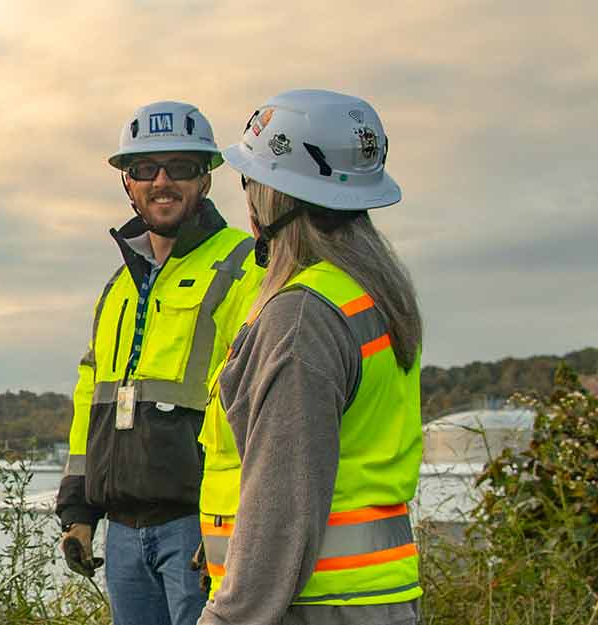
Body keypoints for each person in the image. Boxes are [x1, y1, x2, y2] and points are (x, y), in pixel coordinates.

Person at [198, 89, 423, 625]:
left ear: (276, 195)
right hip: (371, 599)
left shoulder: (302, 316)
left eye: (249, 181)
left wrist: (228, 616)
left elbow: (284, 500)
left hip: (312, 605)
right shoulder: (366, 293)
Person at [57, 101, 266, 625]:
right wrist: (79, 512)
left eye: (182, 167)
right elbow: (92, 401)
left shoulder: (244, 267)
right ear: (128, 183)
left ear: (208, 178)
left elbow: (264, 408)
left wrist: (231, 525)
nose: (162, 181)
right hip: (123, 536)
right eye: (146, 169)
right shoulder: (118, 287)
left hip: (198, 528)